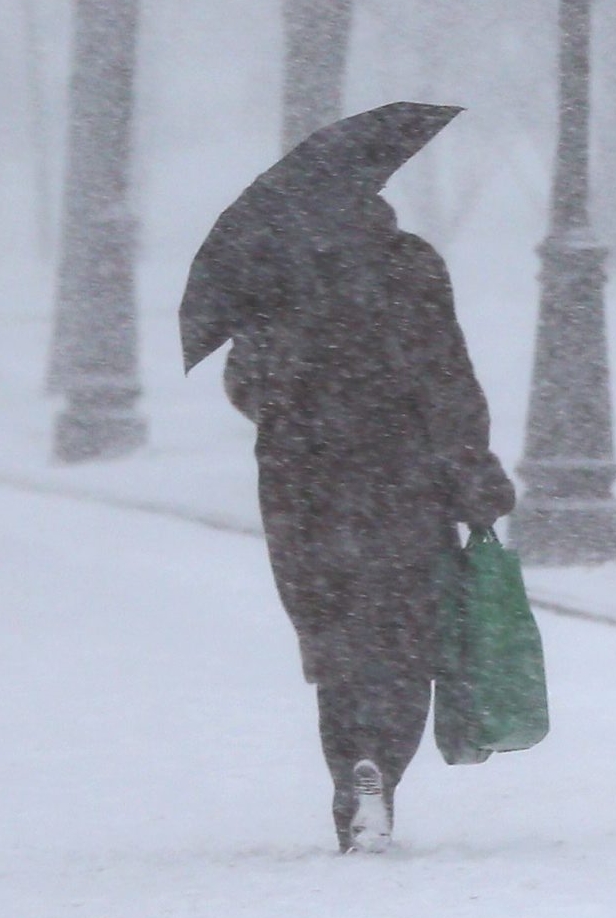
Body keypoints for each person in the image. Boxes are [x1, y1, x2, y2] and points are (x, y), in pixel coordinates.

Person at [214, 191, 516, 850]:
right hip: (402, 481)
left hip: (306, 489)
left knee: (338, 641)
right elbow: (448, 381)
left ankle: (353, 770)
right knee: (407, 638)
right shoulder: (409, 265)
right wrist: (473, 474)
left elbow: (244, 383)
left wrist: (298, 412)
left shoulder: (272, 273)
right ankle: (385, 767)